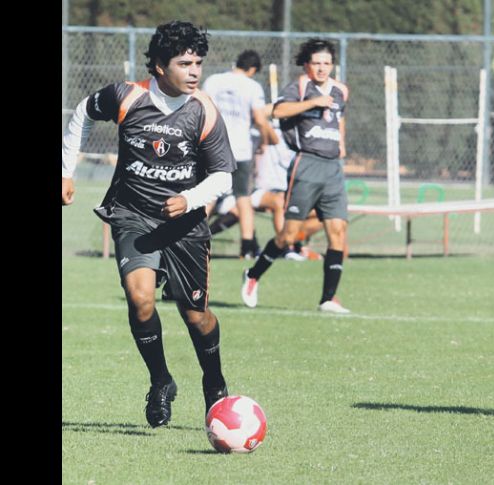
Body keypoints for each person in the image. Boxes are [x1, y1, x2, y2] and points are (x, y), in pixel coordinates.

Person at [61, 21, 235, 428]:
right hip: (132, 214)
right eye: (184, 63)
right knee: (140, 299)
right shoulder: (127, 97)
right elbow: (83, 113)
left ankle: (214, 382)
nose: (194, 71)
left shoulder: (204, 110)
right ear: (159, 66)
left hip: (185, 226)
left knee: (196, 317)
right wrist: (66, 170)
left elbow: (225, 175)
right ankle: (161, 381)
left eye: (198, 63)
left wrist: (189, 198)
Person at [241, 38, 351, 313]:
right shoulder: (300, 87)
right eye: (317, 63)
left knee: (338, 232)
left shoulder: (341, 91)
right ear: (307, 65)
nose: (322, 68)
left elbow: (340, 119)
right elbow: (278, 111)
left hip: (332, 167)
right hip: (307, 164)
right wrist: (313, 102)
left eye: (327, 63)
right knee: (289, 235)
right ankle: (253, 275)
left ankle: (328, 298)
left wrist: (341, 146)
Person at [208, 105, 324, 260]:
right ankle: (286, 249)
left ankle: (295, 241)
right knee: (278, 202)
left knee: (324, 213)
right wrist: (279, 109)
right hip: (258, 190)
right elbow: (266, 124)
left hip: (286, 192)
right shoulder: (266, 132)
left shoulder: (300, 139)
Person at [203, 50, 272, 259]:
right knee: (243, 196)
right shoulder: (252, 87)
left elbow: (202, 109)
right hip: (240, 150)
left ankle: (190, 237)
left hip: (214, 146)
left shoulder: (214, 81)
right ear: (252, 69)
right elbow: (260, 120)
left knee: (208, 194)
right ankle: (247, 245)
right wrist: (265, 141)